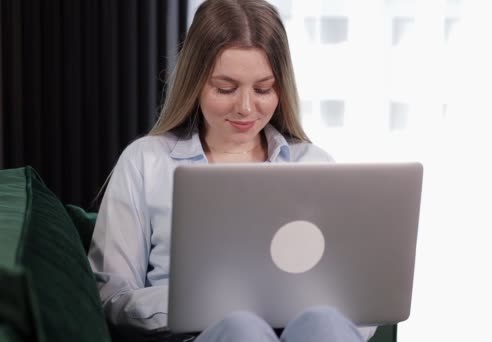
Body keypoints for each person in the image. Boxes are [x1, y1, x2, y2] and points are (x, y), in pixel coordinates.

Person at [88, 0, 377, 341]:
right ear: (195, 83)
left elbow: (357, 305)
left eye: (263, 89)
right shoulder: (146, 161)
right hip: (198, 334)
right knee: (242, 329)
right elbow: (112, 296)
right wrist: (210, 306)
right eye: (225, 89)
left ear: (281, 89)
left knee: (325, 325)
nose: (245, 108)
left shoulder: (313, 164)